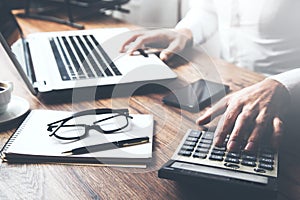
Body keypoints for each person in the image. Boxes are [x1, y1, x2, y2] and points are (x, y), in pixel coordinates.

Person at [120, 0, 300, 151]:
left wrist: (282, 84)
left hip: (290, 104)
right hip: (230, 86)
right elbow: (208, 10)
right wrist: (185, 32)